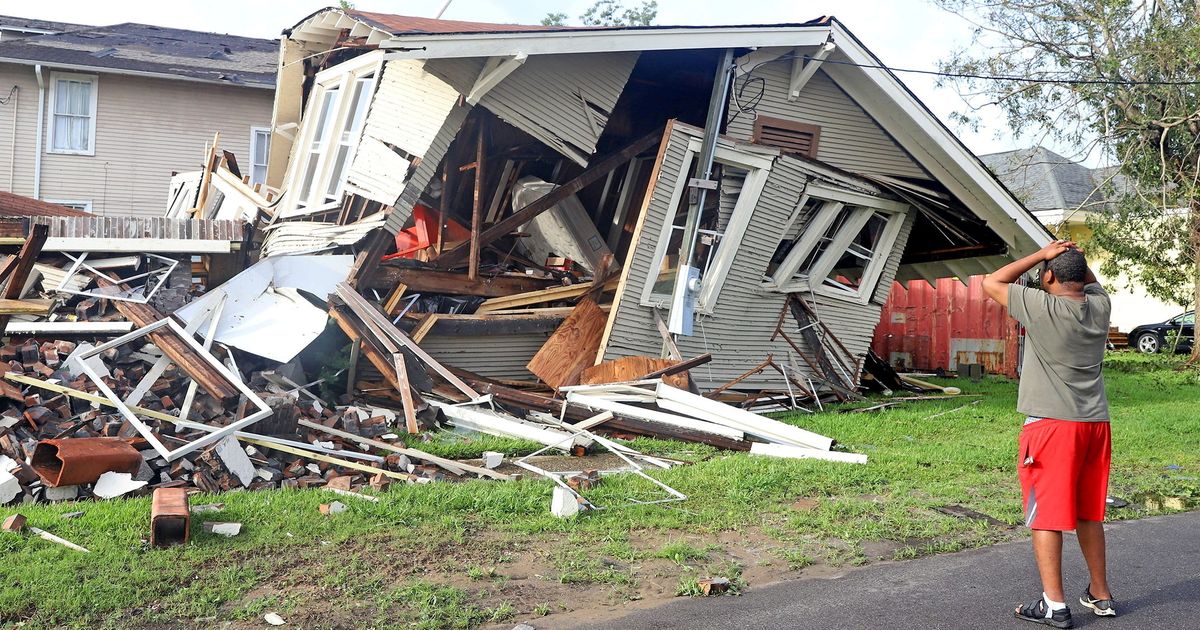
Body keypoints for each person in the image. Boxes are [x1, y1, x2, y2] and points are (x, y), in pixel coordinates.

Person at [982, 239, 1116, 629]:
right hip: (1095, 425)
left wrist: (1044, 253)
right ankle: (1100, 594)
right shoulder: (1100, 306)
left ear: (1049, 276)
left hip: (1052, 428)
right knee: (1088, 512)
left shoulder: (1042, 306)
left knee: (1047, 517)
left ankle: (1054, 606)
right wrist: (1070, 261)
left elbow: (993, 281)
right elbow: (1087, 281)